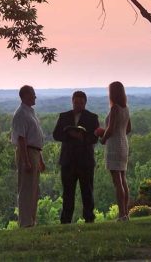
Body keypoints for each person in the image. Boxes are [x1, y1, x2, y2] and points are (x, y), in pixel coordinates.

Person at [52, 90, 100, 223]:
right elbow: (56, 135)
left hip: (85, 161)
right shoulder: (64, 116)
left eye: (81, 102)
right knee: (68, 193)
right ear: (72, 102)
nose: (78, 105)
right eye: (76, 102)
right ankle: (66, 220)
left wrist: (82, 137)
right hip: (68, 161)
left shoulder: (92, 117)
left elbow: (95, 138)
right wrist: (70, 134)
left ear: (85, 103)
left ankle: (89, 219)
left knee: (87, 192)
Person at [10, 84, 45, 228]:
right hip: (27, 153)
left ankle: (31, 221)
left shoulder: (30, 112)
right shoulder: (20, 114)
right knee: (26, 189)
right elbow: (21, 139)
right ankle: (25, 223)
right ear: (25, 96)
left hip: (34, 152)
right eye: (33, 94)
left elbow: (34, 137)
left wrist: (40, 159)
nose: (35, 96)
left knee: (34, 189)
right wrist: (26, 161)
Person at [99, 81, 132, 220]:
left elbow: (111, 129)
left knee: (117, 182)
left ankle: (122, 213)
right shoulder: (126, 108)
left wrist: (102, 138)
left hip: (114, 145)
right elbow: (128, 129)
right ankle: (126, 212)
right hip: (123, 143)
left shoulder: (115, 109)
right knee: (123, 179)